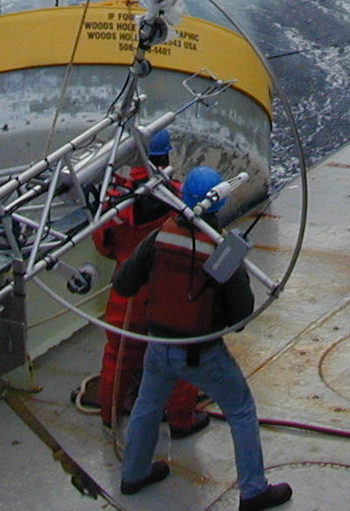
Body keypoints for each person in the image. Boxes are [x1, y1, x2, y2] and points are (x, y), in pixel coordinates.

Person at [114, 167, 292, 511]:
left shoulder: (159, 237)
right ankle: (253, 491)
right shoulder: (221, 250)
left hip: (158, 346)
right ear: (218, 202)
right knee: (241, 409)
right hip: (200, 353)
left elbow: (123, 284)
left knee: (147, 405)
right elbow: (240, 316)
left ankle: (133, 474)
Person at [91, 129, 207, 438]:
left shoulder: (116, 203)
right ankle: (181, 421)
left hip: (126, 297)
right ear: (166, 155)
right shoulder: (180, 200)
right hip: (169, 297)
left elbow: (103, 245)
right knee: (177, 358)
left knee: (117, 357)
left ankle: (109, 415)